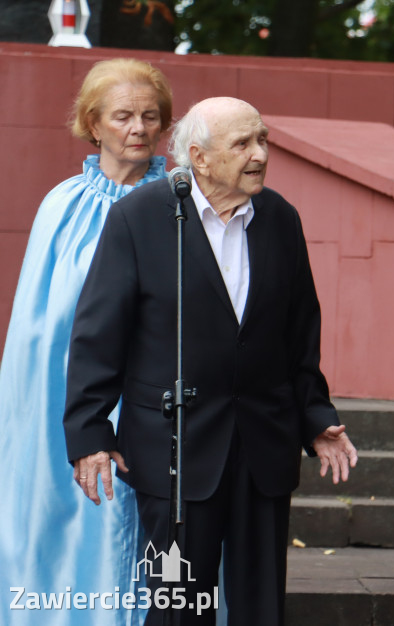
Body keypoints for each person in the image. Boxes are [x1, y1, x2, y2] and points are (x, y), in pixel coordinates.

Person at [63, 96, 358, 626]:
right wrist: (89, 431)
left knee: (259, 607)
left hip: (262, 443)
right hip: (174, 447)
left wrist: (314, 419)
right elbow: (98, 334)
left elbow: (298, 334)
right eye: (243, 143)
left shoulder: (280, 219)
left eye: (262, 139)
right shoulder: (141, 218)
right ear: (198, 157)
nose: (260, 154)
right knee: (180, 607)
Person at [0, 58, 172, 625]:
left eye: (150, 116)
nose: (139, 129)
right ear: (93, 125)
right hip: (60, 396)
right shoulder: (62, 204)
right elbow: (33, 326)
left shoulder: (181, 206)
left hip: (153, 398)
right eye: (123, 116)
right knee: (65, 513)